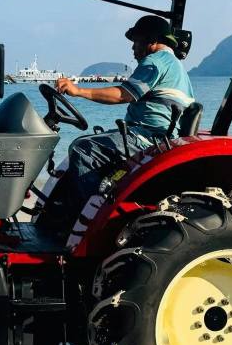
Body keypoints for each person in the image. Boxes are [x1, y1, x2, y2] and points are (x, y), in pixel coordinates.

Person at [45, 14, 194, 225]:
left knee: (83, 149)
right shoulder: (175, 65)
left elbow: (123, 94)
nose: (132, 48)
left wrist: (78, 91)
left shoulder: (156, 61)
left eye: (136, 41)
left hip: (147, 138)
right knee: (94, 144)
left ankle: (91, 220)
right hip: (159, 136)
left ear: (151, 40)